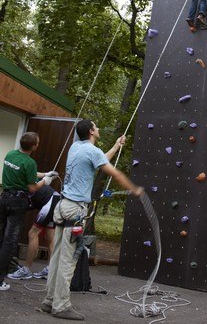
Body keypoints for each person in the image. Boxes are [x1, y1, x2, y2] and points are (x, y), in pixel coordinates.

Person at [40, 119, 143, 321]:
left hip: (62, 206)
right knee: (68, 261)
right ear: (91, 131)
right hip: (74, 210)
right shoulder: (91, 151)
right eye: (96, 127)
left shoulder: (76, 147)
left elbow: (98, 160)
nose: (98, 129)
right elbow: (114, 172)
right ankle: (61, 306)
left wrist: (115, 146)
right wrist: (134, 189)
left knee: (57, 256)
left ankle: (49, 300)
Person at [0, 132, 58, 291]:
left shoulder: (11, 154)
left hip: (9, 198)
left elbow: (27, 174)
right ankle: (2, 279)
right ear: (34, 146)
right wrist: (44, 182)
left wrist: (45, 175)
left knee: (14, 234)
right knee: (13, 240)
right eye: (37, 143)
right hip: (22, 201)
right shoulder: (30, 162)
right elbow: (32, 186)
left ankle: (28, 269)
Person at [7, 185, 61, 280]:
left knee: (32, 233)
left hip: (50, 202)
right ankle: (50, 269)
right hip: (56, 200)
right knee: (50, 236)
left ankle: (26, 270)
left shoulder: (23, 180)